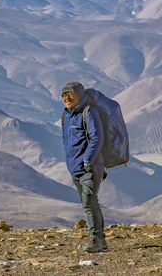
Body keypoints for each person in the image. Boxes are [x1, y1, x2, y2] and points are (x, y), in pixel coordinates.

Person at [60, 81, 108, 253]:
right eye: (63, 95)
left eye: (70, 94)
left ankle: (96, 240)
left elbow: (97, 138)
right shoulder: (66, 116)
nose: (66, 98)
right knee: (88, 203)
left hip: (90, 167)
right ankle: (100, 241)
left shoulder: (89, 113)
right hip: (75, 169)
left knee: (89, 202)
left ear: (79, 94)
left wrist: (88, 161)